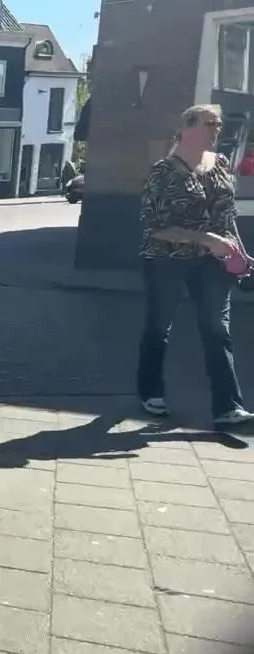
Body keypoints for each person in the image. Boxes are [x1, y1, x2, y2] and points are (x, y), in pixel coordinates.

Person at [138, 104, 254, 429]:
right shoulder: (163, 172)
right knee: (159, 328)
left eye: (218, 124)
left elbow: (227, 217)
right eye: (209, 123)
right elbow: (153, 227)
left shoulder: (220, 164)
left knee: (216, 329)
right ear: (188, 128)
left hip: (213, 262)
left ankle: (228, 408)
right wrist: (205, 239)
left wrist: (241, 254)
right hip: (166, 260)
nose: (217, 130)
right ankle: (150, 391)